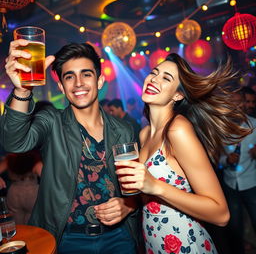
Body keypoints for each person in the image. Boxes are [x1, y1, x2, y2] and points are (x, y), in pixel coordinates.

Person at [1, 41, 140, 253]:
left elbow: (135, 185)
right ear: (61, 87)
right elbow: (14, 142)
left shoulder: (124, 129)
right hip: (67, 238)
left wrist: (129, 205)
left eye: (86, 74)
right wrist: (22, 90)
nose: (78, 83)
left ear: (100, 80)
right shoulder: (51, 121)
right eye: (69, 77)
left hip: (118, 237)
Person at [113, 53, 251, 253]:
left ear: (178, 95)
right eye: (154, 72)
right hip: (154, 243)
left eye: (166, 78)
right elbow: (146, 194)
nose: (154, 79)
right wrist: (127, 204)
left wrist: (156, 187)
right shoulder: (144, 134)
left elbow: (221, 214)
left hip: (186, 243)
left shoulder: (177, 130)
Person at [219, 89, 256, 254]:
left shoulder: (255, 125)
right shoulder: (221, 127)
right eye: (232, 102)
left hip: (251, 183)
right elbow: (216, 157)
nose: (236, 105)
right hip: (230, 184)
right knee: (235, 229)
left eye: (239, 101)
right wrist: (226, 160)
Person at [6, 150, 42, 224]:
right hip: (32, 192)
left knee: (16, 225)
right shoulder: (35, 158)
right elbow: (47, 178)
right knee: (31, 223)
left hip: (14, 192)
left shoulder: (10, 157)